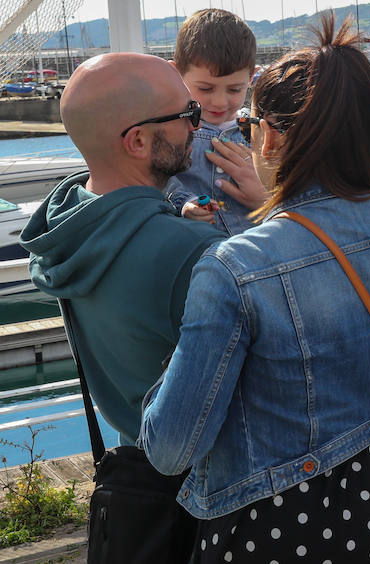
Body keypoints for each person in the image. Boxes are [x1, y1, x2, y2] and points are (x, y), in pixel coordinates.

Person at [139, 16, 370, 563]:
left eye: (250, 121)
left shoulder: (234, 268)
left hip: (276, 523)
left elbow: (171, 449)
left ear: (271, 136)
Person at [23, 53, 224, 449]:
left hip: (138, 462)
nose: (197, 125)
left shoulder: (69, 227)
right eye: (188, 113)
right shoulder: (191, 251)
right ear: (138, 141)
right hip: (210, 476)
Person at [166, 8, 267, 235]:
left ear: (251, 78)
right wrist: (185, 202)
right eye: (205, 88)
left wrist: (268, 198)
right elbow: (158, 181)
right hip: (198, 244)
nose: (220, 102)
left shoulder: (262, 132)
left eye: (234, 89)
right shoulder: (171, 131)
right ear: (176, 74)